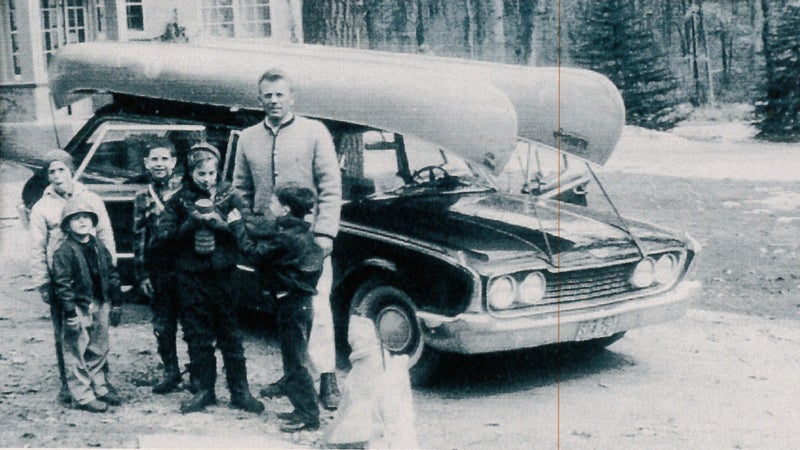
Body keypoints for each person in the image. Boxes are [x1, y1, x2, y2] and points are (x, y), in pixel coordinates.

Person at [233, 68, 342, 410]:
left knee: (317, 309)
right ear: (259, 98)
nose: (274, 101)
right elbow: (240, 188)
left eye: (280, 94)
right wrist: (252, 226)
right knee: (283, 312)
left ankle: (327, 377)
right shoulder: (248, 137)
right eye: (268, 95)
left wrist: (325, 233)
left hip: (308, 241)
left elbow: (330, 187)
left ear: (291, 97)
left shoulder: (314, 132)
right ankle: (294, 376)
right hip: (271, 244)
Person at [156, 143, 263, 414]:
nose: (207, 179)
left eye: (211, 173)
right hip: (191, 276)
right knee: (196, 332)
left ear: (218, 172)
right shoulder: (179, 200)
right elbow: (162, 237)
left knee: (230, 332)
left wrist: (223, 224)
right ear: (190, 173)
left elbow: (249, 227)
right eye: (200, 174)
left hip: (224, 274)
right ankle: (204, 389)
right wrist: (188, 226)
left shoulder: (230, 196)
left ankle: (240, 391)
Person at [28, 149, 117, 405]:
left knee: (98, 333)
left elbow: (105, 235)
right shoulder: (42, 207)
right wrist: (42, 282)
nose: (57, 176)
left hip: (94, 278)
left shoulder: (91, 198)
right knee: (69, 334)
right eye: (51, 171)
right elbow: (37, 247)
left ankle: (100, 382)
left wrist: (110, 273)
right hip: (64, 281)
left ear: (71, 170)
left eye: (61, 170)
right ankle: (71, 386)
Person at [234, 184, 325, 432]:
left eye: (274, 203)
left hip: (292, 304)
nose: (269, 208)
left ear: (285, 209)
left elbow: (253, 254)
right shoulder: (296, 231)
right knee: (292, 358)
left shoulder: (285, 237)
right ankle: (301, 409)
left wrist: (236, 225)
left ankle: (308, 415)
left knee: (296, 361)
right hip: (296, 303)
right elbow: (265, 228)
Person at [50, 198, 123, 412]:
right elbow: (62, 284)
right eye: (76, 218)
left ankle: (98, 385)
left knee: (99, 347)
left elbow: (111, 273)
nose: (82, 221)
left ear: (93, 221)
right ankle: (82, 395)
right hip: (79, 306)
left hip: (99, 302)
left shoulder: (98, 245)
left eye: (86, 217)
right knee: (76, 351)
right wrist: (70, 312)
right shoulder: (64, 251)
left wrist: (116, 301)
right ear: (67, 224)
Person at [132, 137, 184, 394]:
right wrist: (142, 274)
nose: (160, 164)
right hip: (159, 269)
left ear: (174, 162)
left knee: (194, 322)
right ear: (146, 163)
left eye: (165, 158)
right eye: (154, 159)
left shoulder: (185, 191)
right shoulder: (142, 197)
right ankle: (171, 372)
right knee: (163, 325)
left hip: (186, 268)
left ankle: (198, 373)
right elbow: (138, 236)